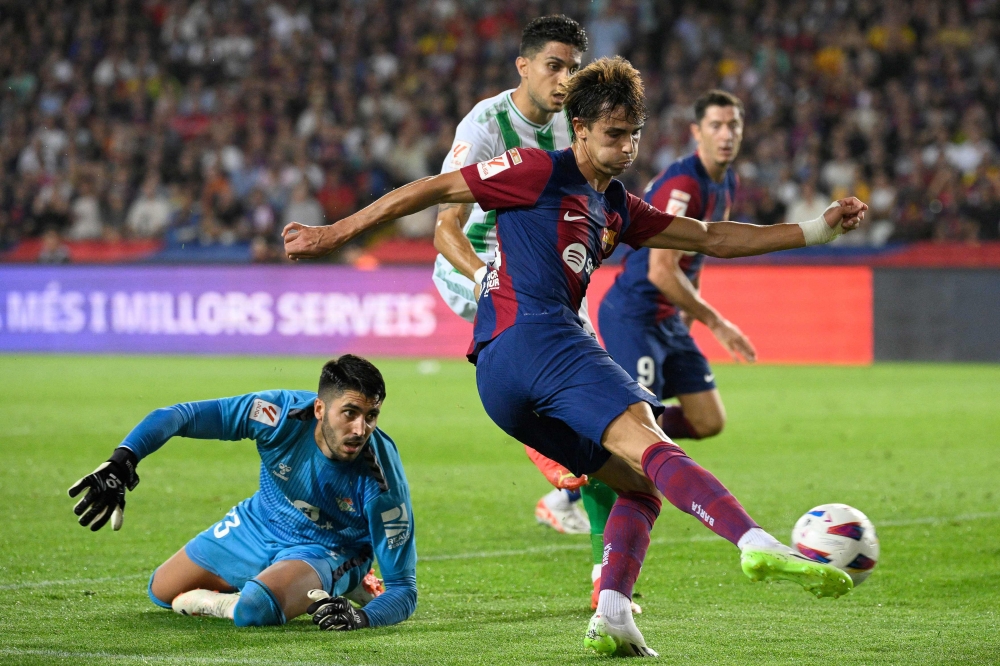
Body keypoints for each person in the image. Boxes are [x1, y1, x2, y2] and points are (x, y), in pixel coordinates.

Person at [283, 57, 866, 657]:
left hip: (501, 381)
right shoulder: (535, 171)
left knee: (638, 486)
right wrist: (334, 234)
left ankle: (612, 610)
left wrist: (816, 229)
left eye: (634, 133)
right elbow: (430, 191)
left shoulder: (616, 205)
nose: (627, 146)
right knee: (652, 441)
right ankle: (754, 541)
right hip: (539, 340)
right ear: (579, 128)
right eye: (614, 134)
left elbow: (711, 237)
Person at [431, 15, 620, 574]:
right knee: (572, 407)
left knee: (601, 409)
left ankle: (603, 575)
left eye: (573, 68)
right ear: (524, 66)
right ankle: (553, 456)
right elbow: (445, 230)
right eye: (553, 67)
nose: (564, 80)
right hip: (481, 273)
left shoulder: (576, 125)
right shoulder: (485, 125)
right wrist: (483, 278)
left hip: (553, 278)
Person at [68, 355, 416, 632]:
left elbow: (403, 589)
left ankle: (339, 581)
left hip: (329, 547)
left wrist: (362, 619)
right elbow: (179, 416)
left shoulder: (383, 480)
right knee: (161, 590)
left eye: (371, 416)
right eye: (350, 413)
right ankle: (281, 583)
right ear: (320, 409)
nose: (361, 429)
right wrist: (122, 461)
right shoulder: (278, 415)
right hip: (260, 521)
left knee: (253, 610)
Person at [600, 89, 756, 447]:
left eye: (733, 125)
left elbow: (697, 255)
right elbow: (661, 269)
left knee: (707, 420)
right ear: (697, 132)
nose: (726, 134)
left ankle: (618, 424)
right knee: (642, 431)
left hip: (668, 320)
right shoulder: (684, 184)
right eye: (716, 125)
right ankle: (567, 493)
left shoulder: (726, 181)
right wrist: (715, 322)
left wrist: (687, 315)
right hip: (635, 314)